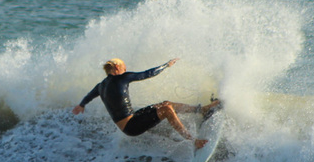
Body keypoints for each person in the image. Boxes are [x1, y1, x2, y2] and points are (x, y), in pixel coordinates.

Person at [72, 57, 219, 150]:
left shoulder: (100, 86)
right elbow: (148, 73)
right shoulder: (123, 77)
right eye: (124, 67)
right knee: (167, 109)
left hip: (132, 120)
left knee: (165, 103)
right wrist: (166, 65)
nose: (125, 69)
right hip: (132, 126)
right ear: (117, 68)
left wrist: (81, 105)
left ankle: (202, 110)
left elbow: (88, 97)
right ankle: (194, 140)